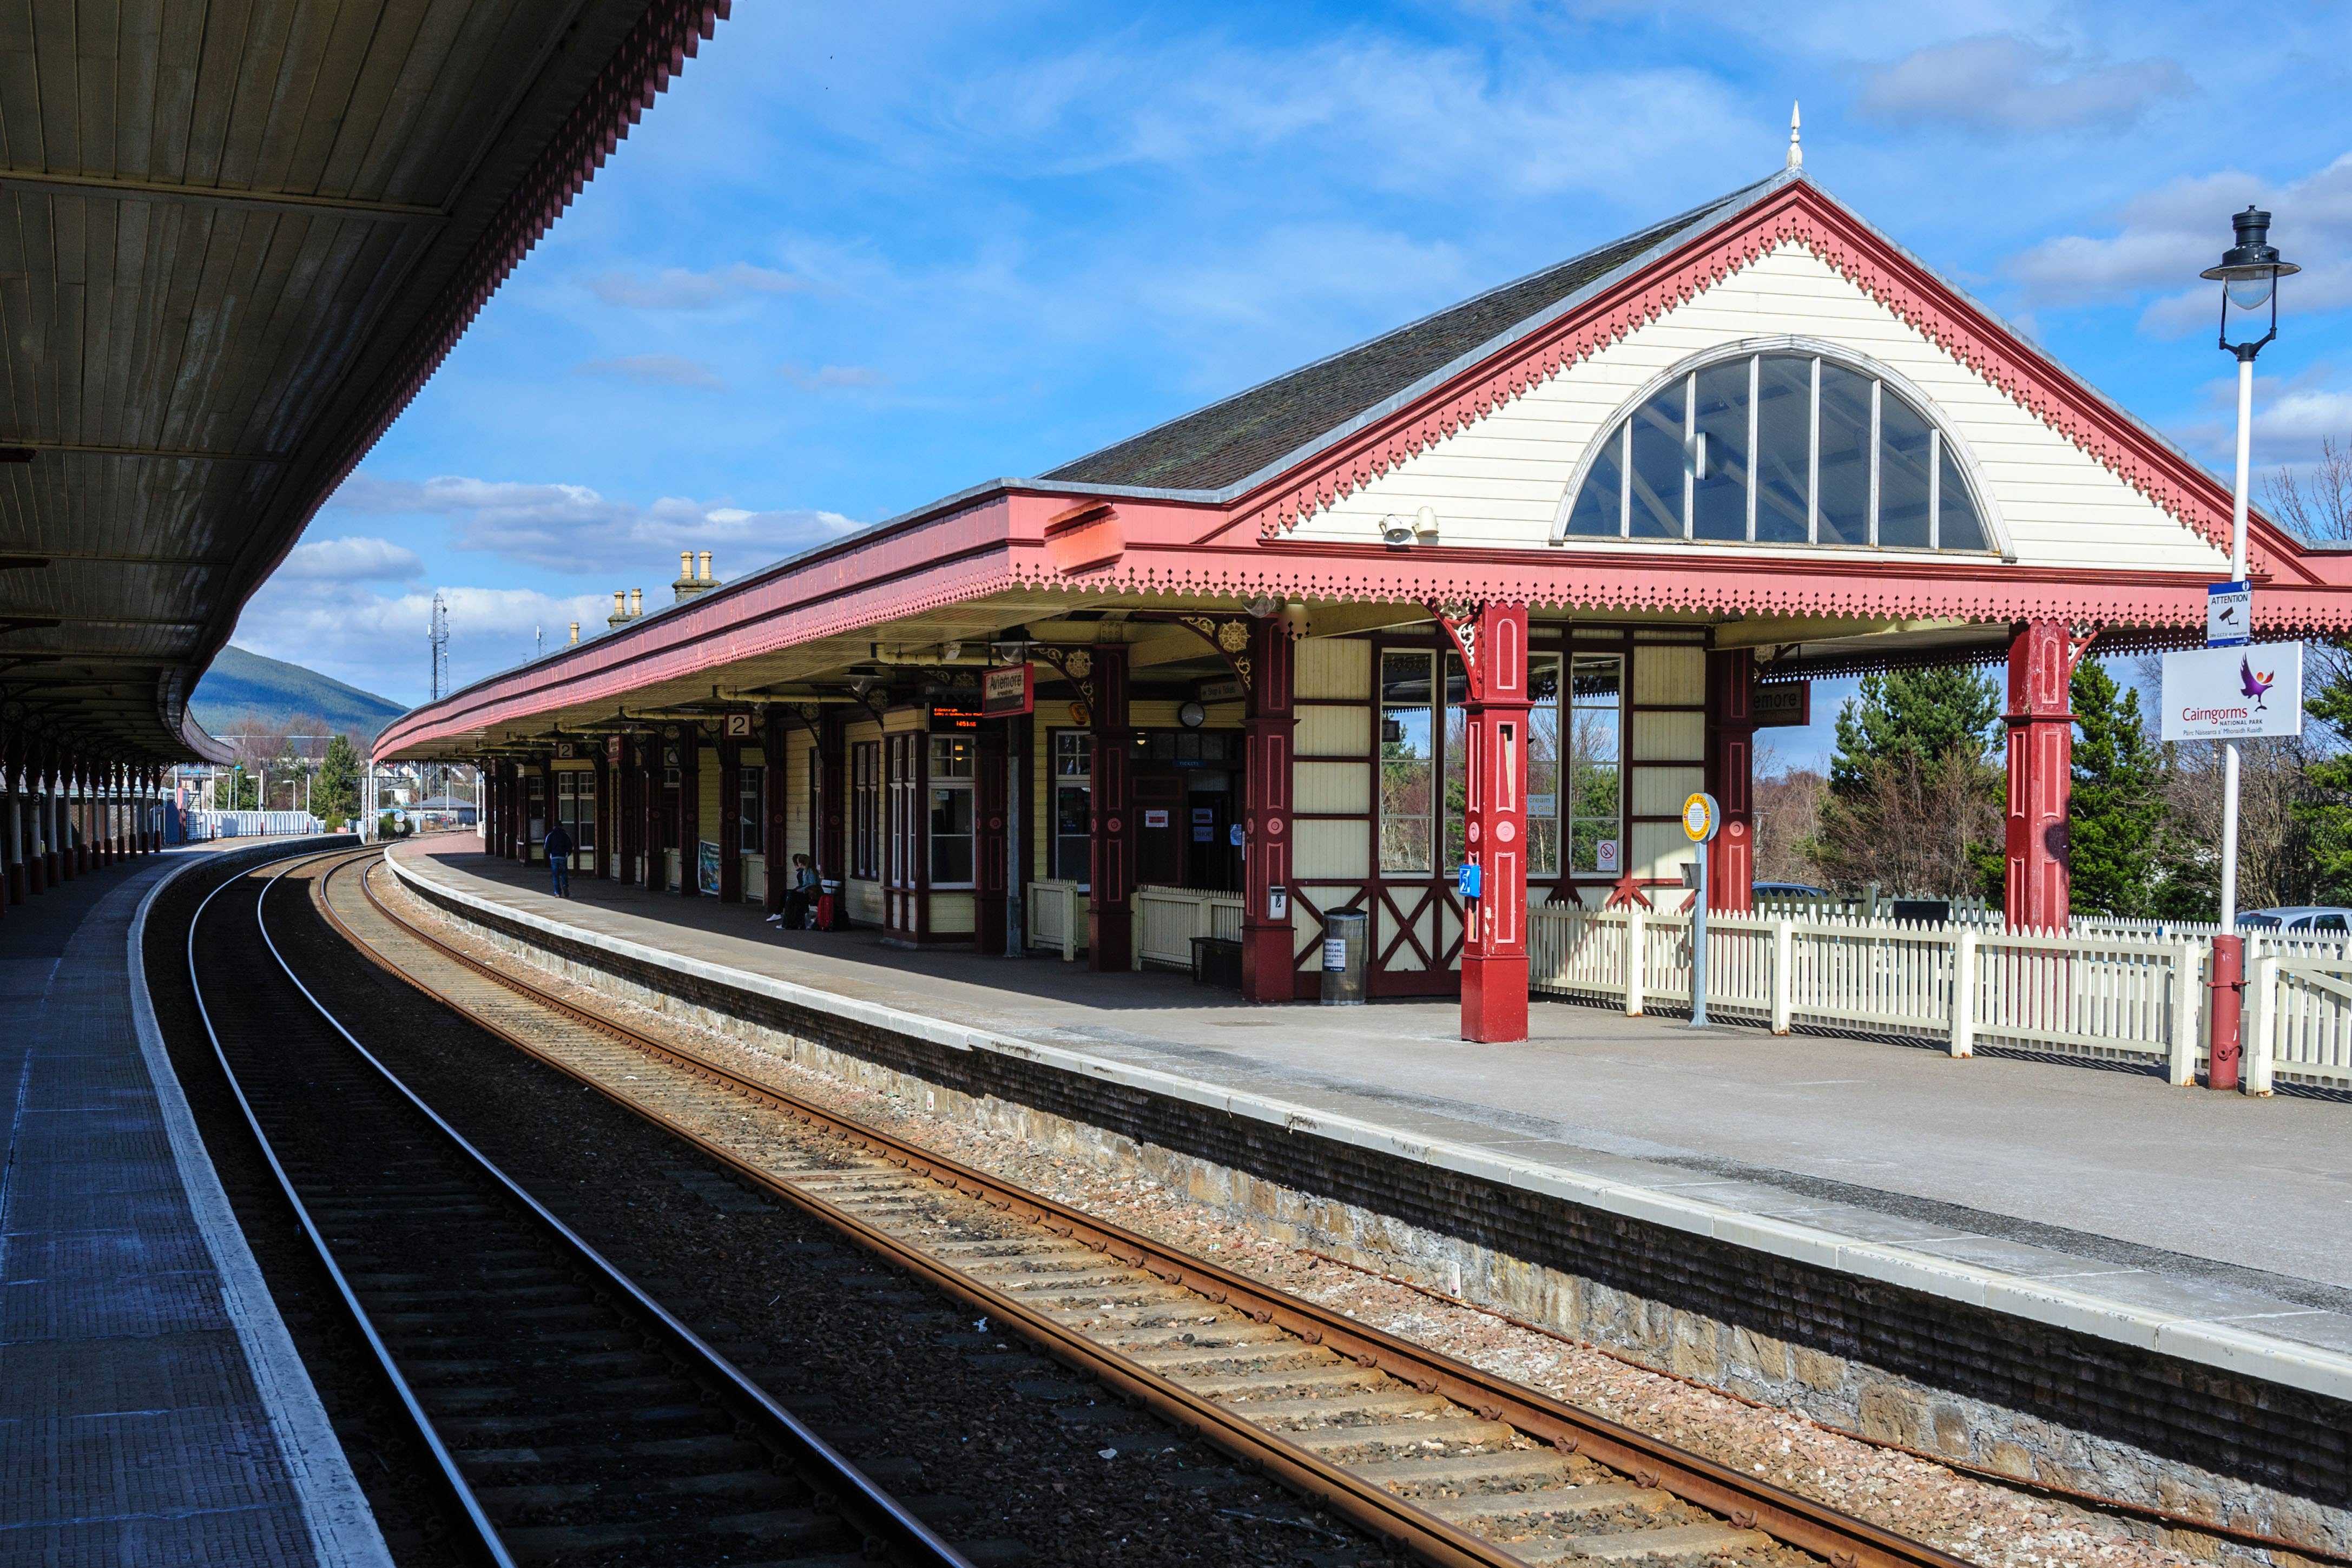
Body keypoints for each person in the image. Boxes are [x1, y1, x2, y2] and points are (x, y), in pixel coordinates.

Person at [775, 853, 818, 929]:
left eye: (798, 863)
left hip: (810, 894)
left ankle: (788, 923)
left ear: (801, 864)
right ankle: (790, 922)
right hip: (806, 892)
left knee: (792, 899)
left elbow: (813, 884)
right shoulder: (805, 871)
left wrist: (801, 889)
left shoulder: (810, 871)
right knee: (789, 895)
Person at [544, 820, 574, 898]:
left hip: (554, 857)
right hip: (563, 857)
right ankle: (565, 885)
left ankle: (557, 893)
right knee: (564, 873)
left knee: (555, 875)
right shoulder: (565, 835)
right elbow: (570, 846)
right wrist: (567, 854)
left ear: (554, 827)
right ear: (561, 826)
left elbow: (546, 847)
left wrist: (550, 854)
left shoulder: (550, 835)